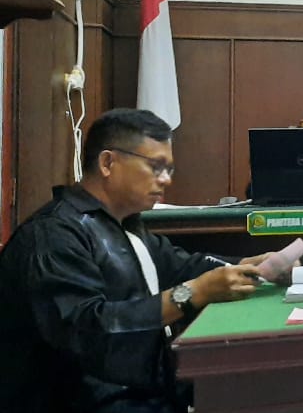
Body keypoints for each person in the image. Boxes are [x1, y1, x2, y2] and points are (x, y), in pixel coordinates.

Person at [0, 109, 269, 412]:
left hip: (144, 392)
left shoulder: (125, 224)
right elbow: (89, 328)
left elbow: (182, 266)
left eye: (169, 169)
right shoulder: (52, 235)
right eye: (156, 167)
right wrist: (191, 294)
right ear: (107, 163)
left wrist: (253, 266)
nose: (166, 180)